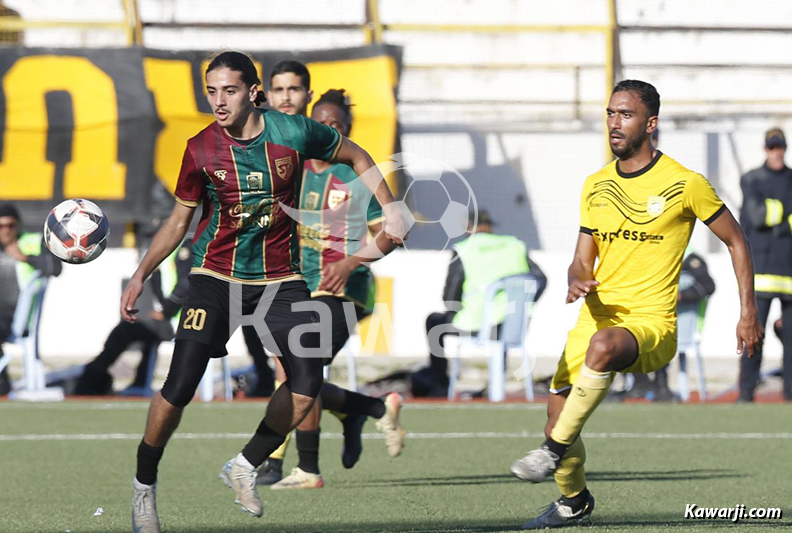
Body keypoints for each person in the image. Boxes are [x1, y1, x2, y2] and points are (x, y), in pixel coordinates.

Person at [125, 51, 404, 533]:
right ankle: (144, 487)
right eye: (211, 91)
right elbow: (178, 221)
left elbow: (357, 154)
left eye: (228, 90)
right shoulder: (199, 148)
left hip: (281, 279)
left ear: (253, 93)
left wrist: (389, 205)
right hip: (215, 278)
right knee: (180, 385)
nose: (218, 101)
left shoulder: (294, 132)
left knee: (306, 383)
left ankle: (245, 464)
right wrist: (141, 273)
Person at [509, 80, 763, 529]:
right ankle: (574, 501)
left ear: (651, 124)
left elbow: (737, 240)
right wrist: (576, 278)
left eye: (624, 114)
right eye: (610, 113)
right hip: (593, 319)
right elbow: (581, 258)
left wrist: (748, 313)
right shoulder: (595, 185)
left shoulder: (686, 183)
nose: (614, 123)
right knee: (555, 419)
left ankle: (550, 454)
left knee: (601, 354)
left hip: (650, 325)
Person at [256, 63, 405, 487]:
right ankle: (369, 409)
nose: (325, 129)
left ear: (346, 130)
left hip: (344, 292)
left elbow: (390, 234)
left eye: (334, 124)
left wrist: (350, 261)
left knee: (296, 371)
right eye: (320, 122)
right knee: (296, 374)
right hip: (296, 287)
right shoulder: (292, 169)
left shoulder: (354, 176)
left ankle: (300, 467)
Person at [412, 210, 546, 398]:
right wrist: (523, 307)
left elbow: (451, 294)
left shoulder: (465, 248)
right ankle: (495, 382)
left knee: (434, 322)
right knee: (501, 331)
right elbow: (541, 279)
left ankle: (439, 380)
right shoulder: (514, 245)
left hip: (475, 325)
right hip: (511, 325)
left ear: (468, 228)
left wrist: (454, 310)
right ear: (489, 226)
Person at [74, 241, 191, 396]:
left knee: (127, 330)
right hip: (171, 319)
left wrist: (166, 311)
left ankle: (96, 375)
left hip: (182, 321)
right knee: (139, 331)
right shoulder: (172, 246)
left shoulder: (186, 246)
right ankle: (136, 380)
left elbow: (185, 284)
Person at [738, 128, 792, 402]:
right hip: (760, 274)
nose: (777, 151)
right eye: (772, 147)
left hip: (789, 273)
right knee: (753, 334)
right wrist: (783, 214)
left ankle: (790, 394)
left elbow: (765, 213)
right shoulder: (751, 179)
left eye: (780, 146)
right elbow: (756, 217)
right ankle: (746, 391)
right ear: (765, 149)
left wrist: (774, 212)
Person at [0, 203, 62, 395]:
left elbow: (56, 268)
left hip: (16, 318)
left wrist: (24, 257)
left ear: (18, 224)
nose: (6, 231)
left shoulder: (33, 241)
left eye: (10, 225)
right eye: (1, 227)